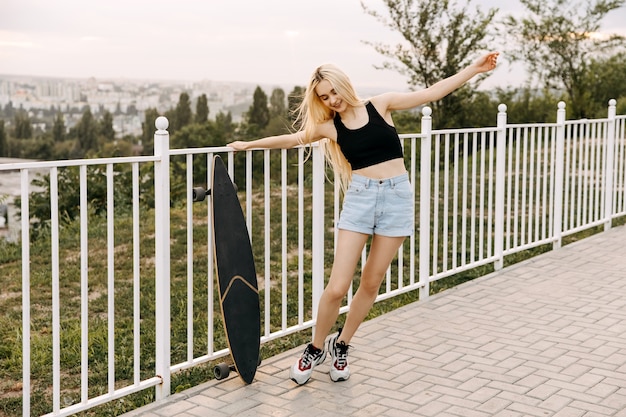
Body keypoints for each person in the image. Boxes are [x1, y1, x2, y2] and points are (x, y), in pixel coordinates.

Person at [227, 51, 499, 385]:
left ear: (344, 84)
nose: (332, 100)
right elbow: (291, 139)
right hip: (360, 200)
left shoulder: (381, 104)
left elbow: (431, 93)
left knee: (371, 282)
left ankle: (341, 345)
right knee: (337, 287)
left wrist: (474, 68)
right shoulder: (330, 127)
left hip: (397, 198)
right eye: (324, 97)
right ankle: (315, 348)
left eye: (333, 92)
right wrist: (247, 145)